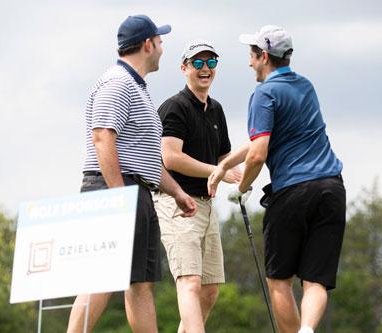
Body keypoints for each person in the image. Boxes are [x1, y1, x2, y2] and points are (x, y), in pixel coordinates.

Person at [207, 25, 346, 333]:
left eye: (252, 56)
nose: (249, 62)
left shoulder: (264, 93)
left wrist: (242, 189)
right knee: (316, 281)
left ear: (264, 56)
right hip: (331, 189)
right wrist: (225, 164)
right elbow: (262, 141)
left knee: (279, 280)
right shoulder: (305, 86)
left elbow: (258, 154)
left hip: (293, 192)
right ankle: (307, 329)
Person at [66, 15, 197, 333]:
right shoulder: (118, 82)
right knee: (101, 277)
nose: (163, 47)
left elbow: (146, 161)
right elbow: (102, 138)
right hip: (112, 187)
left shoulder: (137, 87)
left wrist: (177, 192)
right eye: (160, 41)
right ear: (148, 44)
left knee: (140, 283)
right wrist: (118, 198)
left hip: (134, 190)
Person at [154, 39, 241, 333]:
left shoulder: (216, 110)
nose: (206, 69)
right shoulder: (174, 107)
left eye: (211, 63)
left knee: (210, 287)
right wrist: (218, 171)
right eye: (198, 63)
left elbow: (224, 156)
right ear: (184, 68)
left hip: (205, 204)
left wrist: (240, 171)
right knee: (189, 282)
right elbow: (171, 157)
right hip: (176, 202)